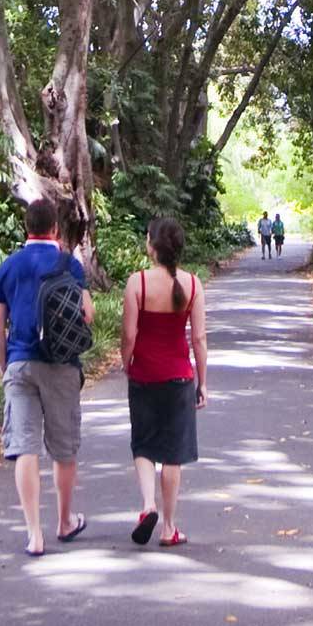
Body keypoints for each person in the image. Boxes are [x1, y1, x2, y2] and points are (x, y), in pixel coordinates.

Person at [0, 199, 96, 557]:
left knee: (25, 447)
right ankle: (64, 522)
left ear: (27, 227)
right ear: (55, 228)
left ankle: (34, 534)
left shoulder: (8, 266)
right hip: (62, 364)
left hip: (20, 363)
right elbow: (88, 314)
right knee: (63, 450)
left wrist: (5, 368)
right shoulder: (69, 264)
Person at [121, 217, 208, 547]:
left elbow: (129, 334)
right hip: (179, 377)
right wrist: (202, 382)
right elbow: (198, 338)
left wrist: (126, 362)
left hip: (144, 374)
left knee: (143, 444)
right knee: (173, 453)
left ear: (152, 246)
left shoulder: (137, 283)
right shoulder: (193, 285)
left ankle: (148, 505)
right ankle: (169, 527)